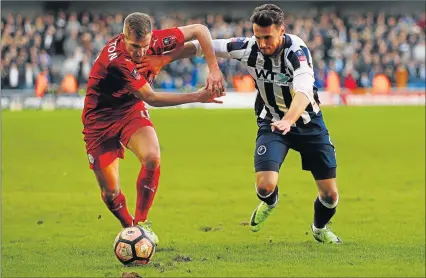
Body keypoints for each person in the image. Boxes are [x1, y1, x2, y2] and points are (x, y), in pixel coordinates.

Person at [138, 4, 342, 244]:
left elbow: (305, 89)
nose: (262, 44)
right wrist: (164, 59)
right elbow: (203, 46)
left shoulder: (296, 52)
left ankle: (319, 228)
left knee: (329, 196)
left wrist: (289, 119)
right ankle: (271, 201)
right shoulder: (248, 47)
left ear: (282, 31)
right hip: (272, 123)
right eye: (258, 37)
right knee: (265, 186)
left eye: (268, 37)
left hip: (308, 124)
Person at [82, 12, 225, 245]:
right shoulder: (117, 60)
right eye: (134, 46)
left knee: (151, 156)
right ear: (123, 37)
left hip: (129, 109)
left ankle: (141, 224)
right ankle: (129, 227)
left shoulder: (158, 41)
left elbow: (201, 30)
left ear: (151, 38)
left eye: (144, 46)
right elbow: (152, 98)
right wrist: (197, 96)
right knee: (110, 192)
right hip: (99, 120)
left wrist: (213, 69)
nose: (140, 52)